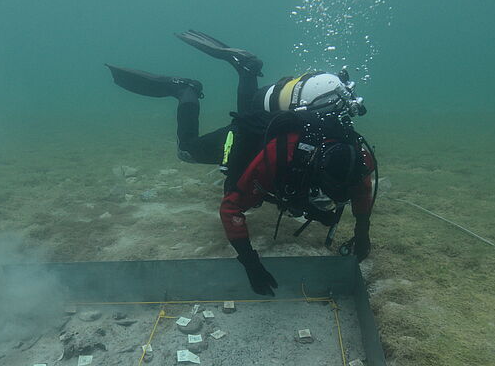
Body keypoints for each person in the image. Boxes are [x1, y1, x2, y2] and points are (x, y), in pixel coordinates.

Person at [106, 30, 377, 296]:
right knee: (187, 150)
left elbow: (362, 191)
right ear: (314, 168)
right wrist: (250, 262)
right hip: (249, 138)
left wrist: (362, 233)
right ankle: (185, 90)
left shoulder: (358, 158)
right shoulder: (282, 156)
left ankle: (247, 68)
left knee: (251, 108)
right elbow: (231, 208)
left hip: (272, 127)